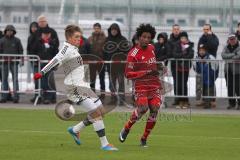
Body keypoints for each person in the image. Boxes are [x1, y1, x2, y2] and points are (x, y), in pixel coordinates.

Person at [33, 24, 118, 151]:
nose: (79, 39)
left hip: (84, 86)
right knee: (95, 113)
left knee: (101, 111)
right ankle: (104, 144)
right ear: (69, 38)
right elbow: (55, 60)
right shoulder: (66, 49)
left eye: (80, 36)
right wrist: (42, 72)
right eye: (76, 37)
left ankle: (75, 129)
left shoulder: (74, 49)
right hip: (75, 88)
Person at [119, 24, 162, 147]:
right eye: (144, 37)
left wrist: (159, 68)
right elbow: (128, 74)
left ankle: (144, 138)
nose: (146, 40)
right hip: (141, 86)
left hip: (154, 85)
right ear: (139, 37)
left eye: (149, 37)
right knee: (143, 109)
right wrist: (145, 72)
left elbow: (152, 66)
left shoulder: (152, 48)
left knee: (154, 110)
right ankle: (127, 128)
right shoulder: (133, 53)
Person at [35, 15, 59, 103]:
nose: (42, 23)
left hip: (51, 60)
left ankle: (51, 97)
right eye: (40, 22)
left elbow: (56, 46)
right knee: (42, 80)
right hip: (39, 60)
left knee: (50, 79)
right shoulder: (36, 33)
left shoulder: (53, 32)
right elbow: (33, 47)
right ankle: (43, 97)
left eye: (44, 21)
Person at [104, 23, 129, 105]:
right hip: (110, 66)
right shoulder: (107, 40)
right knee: (112, 84)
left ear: (118, 31)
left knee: (121, 83)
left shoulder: (123, 39)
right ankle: (113, 99)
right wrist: (106, 64)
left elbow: (127, 52)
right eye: (112, 30)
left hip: (120, 67)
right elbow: (104, 53)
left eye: (115, 30)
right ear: (110, 30)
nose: (113, 31)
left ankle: (122, 100)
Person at [0, 25, 23, 103]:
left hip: (14, 63)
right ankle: (4, 97)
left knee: (15, 80)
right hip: (4, 63)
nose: (9, 32)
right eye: (8, 31)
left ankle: (16, 97)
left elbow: (21, 51)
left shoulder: (17, 40)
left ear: (13, 32)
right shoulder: (1, 40)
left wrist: (21, 60)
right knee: (4, 80)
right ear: (5, 31)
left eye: (11, 31)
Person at [172, 31, 194, 109]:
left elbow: (191, 55)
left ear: (187, 38)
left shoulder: (190, 45)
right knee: (178, 84)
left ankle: (185, 101)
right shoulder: (176, 45)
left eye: (184, 38)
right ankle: (179, 101)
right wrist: (183, 55)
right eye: (182, 38)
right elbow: (175, 55)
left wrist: (182, 56)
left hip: (186, 68)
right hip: (178, 67)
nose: (183, 39)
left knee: (184, 84)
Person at [194, 44, 218, 109]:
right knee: (203, 89)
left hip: (209, 77)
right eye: (200, 50)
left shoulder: (210, 57)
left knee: (209, 90)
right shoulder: (197, 58)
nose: (201, 52)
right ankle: (204, 101)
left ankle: (208, 103)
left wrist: (214, 76)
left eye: (203, 50)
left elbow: (215, 67)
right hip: (201, 77)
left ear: (206, 51)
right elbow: (195, 68)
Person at [222, 34, 240, 110]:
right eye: (230, 39)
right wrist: (233, 55)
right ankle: (231, 103)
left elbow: (238, 56)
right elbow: (223, 55)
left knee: (238, 88)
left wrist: (229, 57)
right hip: (228, 70)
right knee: (229, 87)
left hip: (237, 71)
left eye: (233, 39)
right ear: (228, 40)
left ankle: (239, 104)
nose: (232, 40)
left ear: (236, 39)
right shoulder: (226, 47)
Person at [87, 23, 106, 97]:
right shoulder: (90, 38)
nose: (96, 29)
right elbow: (87, 49)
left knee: (102, 78)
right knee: (92, 79)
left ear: (100, 29)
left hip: (101, 61)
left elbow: (106, 50)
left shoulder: (104, 38)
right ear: (93, 29)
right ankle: (92, 94)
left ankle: (103, 94)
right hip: (92, 62)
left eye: (98, 28)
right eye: (95, 28)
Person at [27, 22, 40, 103]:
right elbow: (28, 48)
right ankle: (36, 95)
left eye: (35, 27)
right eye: (32, 27)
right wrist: (30, 57)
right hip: (33, 60)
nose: (34, 28)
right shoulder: (30, 37)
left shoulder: (39, 36)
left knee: (40, 80)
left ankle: (40, 95)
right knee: (36, 79)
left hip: (38, 60)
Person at [168, 24, 181, 106]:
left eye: (177, 29)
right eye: (174, 29)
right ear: (172, 30)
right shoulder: (169, 40)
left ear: (179, 30)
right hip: (174, 64)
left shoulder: (183, 38)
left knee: (183, 82)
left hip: (182, 64)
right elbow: (169, 52)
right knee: (176, 82)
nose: (176, 30)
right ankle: (177, 99)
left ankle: (183, 99)